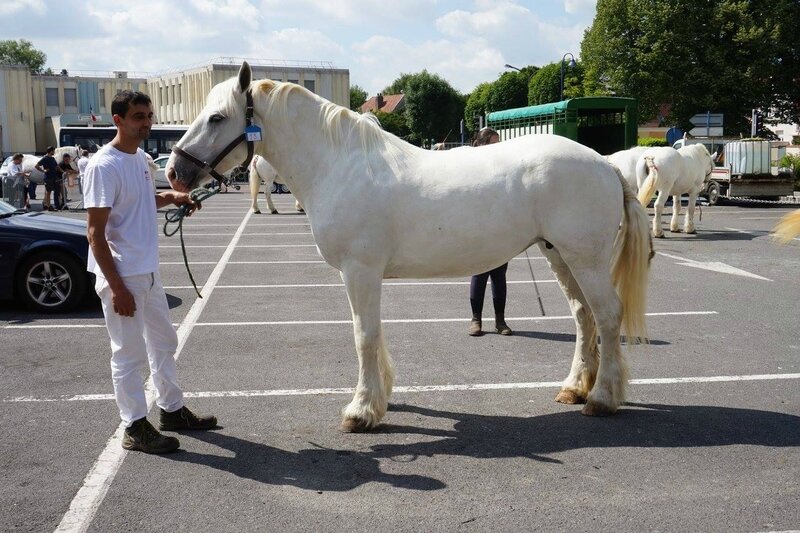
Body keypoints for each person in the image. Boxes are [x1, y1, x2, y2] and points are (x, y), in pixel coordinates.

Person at [84, 90, 217, 455]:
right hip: (122, 276)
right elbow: (95, 233)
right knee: (127, 353)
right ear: (119, 121)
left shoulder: (141, 159)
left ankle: (171, 411)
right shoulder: (103, 165)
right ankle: (134, 425)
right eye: (139, 116)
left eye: (148, 115)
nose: (146, 122)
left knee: (163, 343)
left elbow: (143, 201)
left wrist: (174, 198)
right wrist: (117, 288)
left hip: (149, 271)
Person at [468, 127, 512, 337]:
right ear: (483, 144)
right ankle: (476, 320)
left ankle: (500, 321)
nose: (499, 148)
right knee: (479, 274)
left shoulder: (503, 168)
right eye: (494, 143)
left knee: (499, 276)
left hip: (500, 230)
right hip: (480, 230)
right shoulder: (474, 168)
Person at [35, 146, 61, 211]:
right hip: (48, 178)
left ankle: (55, 205)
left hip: (54, 177)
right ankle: (49, 206)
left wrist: (63, 171)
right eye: (53, 151)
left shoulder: (52, 158)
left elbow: (57, 166)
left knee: (56, 190)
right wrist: (43, 171)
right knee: (48, 192)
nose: (54, 152)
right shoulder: (45, 158)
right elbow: (36, 166)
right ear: (51, 151)